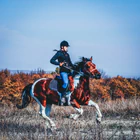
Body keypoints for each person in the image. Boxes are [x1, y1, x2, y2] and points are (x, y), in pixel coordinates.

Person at [50, 40, 74, 106]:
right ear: (62, 47)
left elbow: (70, 63)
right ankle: (62, 96)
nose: (67, 48)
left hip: (69, 71)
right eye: (66, 47)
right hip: (63, 71)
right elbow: (51, 60)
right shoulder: (59, 53)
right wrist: (59, 63)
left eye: (67, 47)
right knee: (65, 83)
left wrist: (75, 68)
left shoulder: (67, 54)